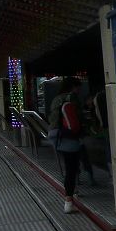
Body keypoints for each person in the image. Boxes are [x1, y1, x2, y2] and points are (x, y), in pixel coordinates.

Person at [48, 76, 85, 214]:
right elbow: (78, 118)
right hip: (68, 136)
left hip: (55, 135)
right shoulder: (72, 98)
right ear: (74, 86)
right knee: (71, 168)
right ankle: (69, 200)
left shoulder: (56, 98)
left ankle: (73, 191)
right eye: (78, 87)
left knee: (70, 165)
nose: (79, 90)